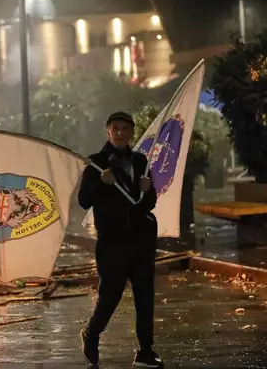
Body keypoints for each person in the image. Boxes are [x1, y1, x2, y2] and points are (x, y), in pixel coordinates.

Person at [78, 111, 163, 368]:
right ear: (108, 131)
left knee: (144, 297)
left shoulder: (140, 160)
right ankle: (91, 334)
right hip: (112, 242)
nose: (121, 132)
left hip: (141, 241)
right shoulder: (96, 163)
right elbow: (84, 201)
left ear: (131, 133)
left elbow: (147, 203)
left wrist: (148, 192)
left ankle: (146, 351)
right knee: (110, 295)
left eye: (126, 128)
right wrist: (102, 183)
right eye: (116, 128)